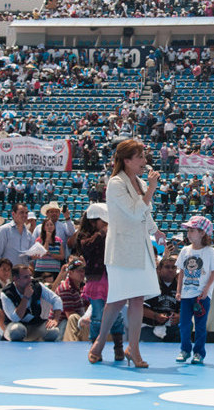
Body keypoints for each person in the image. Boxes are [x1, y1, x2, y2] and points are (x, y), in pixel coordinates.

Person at [88, 140, 165, 368]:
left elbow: (144, 212)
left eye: (143, 156)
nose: (144, 161)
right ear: (127, 161)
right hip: (121, 249)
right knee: (117, 299)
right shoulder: (116, 183)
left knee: (138, 298)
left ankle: (134, 348)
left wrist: (155, 230)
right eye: (140, 157)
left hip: (140, 248)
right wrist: (151, 188)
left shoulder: (139, 182)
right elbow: (133, 212)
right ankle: (100, 342)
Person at [77, 203, 124, 354]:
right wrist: (102, 233)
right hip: (96, 280)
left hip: (111, 277)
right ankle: (95, 348)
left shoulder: (110, 233)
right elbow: (86, 247)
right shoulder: (84, 236)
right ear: (93, 221)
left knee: (117, 314)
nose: (104, 224)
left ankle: (119, 347)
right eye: (101, 221)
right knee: (96, 315)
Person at [175, 216, 214, 364]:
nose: (188, 233)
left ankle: (199, 352)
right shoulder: (185, 250)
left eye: (192, 230)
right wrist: (178, 290)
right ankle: (185, 349)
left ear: (202, 233)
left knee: (200, 325)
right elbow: (181, 271)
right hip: (187, 294)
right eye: (188, 230)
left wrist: (206, 289)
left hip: (201, 295)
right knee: (184, 324)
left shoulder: (209, 251)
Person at [0, 264, 63, 342]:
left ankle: (40, 347)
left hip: (35, 324)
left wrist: (55, 319)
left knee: (53, 331)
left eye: (30, 276)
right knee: (17, 331)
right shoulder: (6, 294)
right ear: (16, 279)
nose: (30, 280)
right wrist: (25, 297)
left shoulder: (36, 285)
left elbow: (56, 299)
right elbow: (15, 318)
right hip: (15, 325)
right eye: (26, 277)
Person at [142, 251, 180, 343]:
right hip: (150, 325)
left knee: (187, 325)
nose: (171, 270)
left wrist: (179, 316)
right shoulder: (151, 284)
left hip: (171, 326)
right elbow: (139, 308)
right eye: (167, 267)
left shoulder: (180, 286)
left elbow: (186, 308)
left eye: (173, 267)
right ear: (159, 269)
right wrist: (156, 316)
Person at [52, 257, 90, 342]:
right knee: (74, 318)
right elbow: (70, 316)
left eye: (83, 271)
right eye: (79, 271)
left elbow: (87, 308)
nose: (82, 274)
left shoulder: (83, 287)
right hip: (61, 324)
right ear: (70, 273)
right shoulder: (65, 288)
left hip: (76, 320)